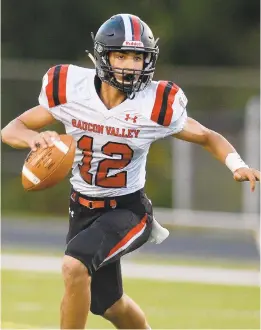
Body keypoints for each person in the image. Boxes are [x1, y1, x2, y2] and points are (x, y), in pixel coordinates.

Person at [1, 13, 260, 330]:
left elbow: (207, 136)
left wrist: (238, 165)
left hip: (127, 209)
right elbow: (12, 128)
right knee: (109, 305)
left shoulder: (154, 105)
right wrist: (33, 138)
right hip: (81, 207)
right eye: (121, 54)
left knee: (73, 266)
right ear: (102, 56)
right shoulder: (71, 89)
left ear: (148, 61)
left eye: (137, 57)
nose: (129, 65)